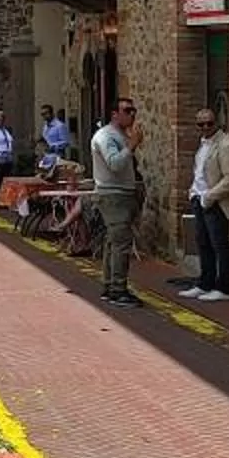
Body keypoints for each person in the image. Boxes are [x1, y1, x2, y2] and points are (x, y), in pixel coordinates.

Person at [172, 105, 229, 299]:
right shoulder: (203, 144)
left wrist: (209, 196)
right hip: (199, 199)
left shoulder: (226, 145)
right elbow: (200, 172)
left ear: (216, 123)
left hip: (216, 202)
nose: (205, 128)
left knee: (219, 245)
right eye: (200, 124)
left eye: (209, 123)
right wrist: (194, 193)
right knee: (203, 243)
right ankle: (205, 282)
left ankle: (224, 287)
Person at [90, 95, 143, 304]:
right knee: (120, 243)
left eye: (133, 111)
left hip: (121, 193)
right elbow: (114, 163)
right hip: (113, 195)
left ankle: (110, 285)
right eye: (127, 111)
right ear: (115, 114)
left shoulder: (119, 135)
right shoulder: (105, 137)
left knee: (114, 242)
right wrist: (132, 146)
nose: (132, 115)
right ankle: (118, 289)